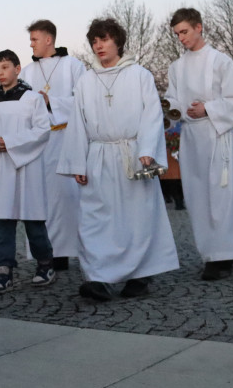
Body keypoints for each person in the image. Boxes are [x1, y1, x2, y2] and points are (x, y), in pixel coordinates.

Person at [57, 19, 179, 301]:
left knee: (136, 217)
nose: (98, 46)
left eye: (104, 39)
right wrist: (77, 162)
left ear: (118, 41)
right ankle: (98, 277)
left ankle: (140, 276)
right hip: (98, 155)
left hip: (132, 154)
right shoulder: (86, 80)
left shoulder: (139, 75)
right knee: (95, 218)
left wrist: (147, 148)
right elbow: (78, 122)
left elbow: (151, 113)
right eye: (94, 41)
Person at [165, 8, 233, 281]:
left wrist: (208, 109)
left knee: (220, 195)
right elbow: (174, 100)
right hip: (191, 138)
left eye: (185, 32)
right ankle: (210, 251)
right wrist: (171, 108)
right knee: (197, 195)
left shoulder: (220, 61)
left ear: (199, 27)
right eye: (177, 34)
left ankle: (224, 255)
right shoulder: (176, 67)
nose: (181, 38)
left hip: (216, 135)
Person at [0, 49, 55, 294]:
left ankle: (45, 265)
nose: (1, 73)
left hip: (26, 167)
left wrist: (8, 142)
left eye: (5, 67)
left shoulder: (33, 99)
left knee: (33, 222)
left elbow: (42, 130)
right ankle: (4, 270)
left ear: (17, 69)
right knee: (2, 223)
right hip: (1, 169)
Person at [22, 19, 85, 271]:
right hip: (37, 145)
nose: (31, 44)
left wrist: (51, 103)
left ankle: (69, 252)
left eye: (35, 39)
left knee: (67, 198)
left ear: (49, 40)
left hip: (65, 140)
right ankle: (45, 254)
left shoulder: (73, 66)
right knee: (40, 199)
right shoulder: (26, 71)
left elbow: (82, 101)